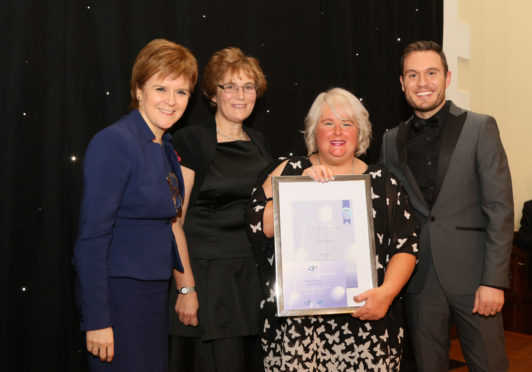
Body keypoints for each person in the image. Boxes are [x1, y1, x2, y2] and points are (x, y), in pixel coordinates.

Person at [246, 87, 419, 371]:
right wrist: (299, 191)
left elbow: (407, 245)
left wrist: (386, 294)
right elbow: (255, 226)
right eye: (328, 123)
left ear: (360, 133)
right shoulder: (289, 171)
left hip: (368, 325)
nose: (338, 131)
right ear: (314, 131)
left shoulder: (383, 181)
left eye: (347, 124)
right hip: (299, 332)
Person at [380, 40, 514, 372]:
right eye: (413, 75)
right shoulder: (390, 140)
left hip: (475, 278)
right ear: (402, 83)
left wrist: (494, 280)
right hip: (418, 279)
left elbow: (499, 207)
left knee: (490, 365)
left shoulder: (481, 127)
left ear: (447, 77)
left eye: (430, 73)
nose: (422, 82)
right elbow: (387, 208)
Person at [72, 39, 198, 372]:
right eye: (161, 88)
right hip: (119, 297)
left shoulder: (163, 144)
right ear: (138, 90)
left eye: (181, 92)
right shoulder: (114, 142)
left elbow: (169, 224)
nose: (171, 101)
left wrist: (185, 285)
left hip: (153, 294)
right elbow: (92, 239)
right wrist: (97, 320)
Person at [168, 47, 271, 372]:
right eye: (230, 86)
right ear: (213, 93)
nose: (241, 95)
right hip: (209, 282)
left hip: (252, 281)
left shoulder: (259, 142)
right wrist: (186, 288)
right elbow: (173, 222)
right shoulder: (190, 141)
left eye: (248, 86)